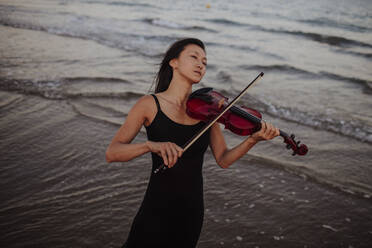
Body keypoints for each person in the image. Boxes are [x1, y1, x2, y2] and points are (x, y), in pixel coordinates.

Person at [106, 38, 279, 248]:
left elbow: (223, 159)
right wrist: (150, 145)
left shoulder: (209, 112)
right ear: (174, 62)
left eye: (205, 62)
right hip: (156, 207)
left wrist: (253, 139)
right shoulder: (149, 104)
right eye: (194, 57)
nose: (201, 64)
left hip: (191, 211)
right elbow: (113, 152)